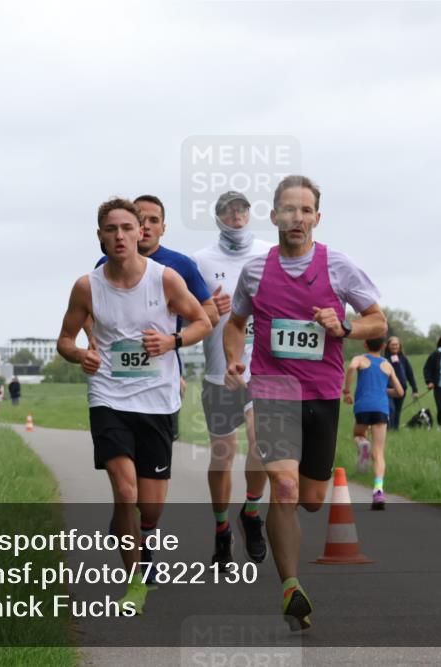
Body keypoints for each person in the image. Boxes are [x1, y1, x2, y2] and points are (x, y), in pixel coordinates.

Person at [225, 175, 387, 631]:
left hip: (323, 393)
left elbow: (377, 322)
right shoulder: (256, 270)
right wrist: (235, 361)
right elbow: (235, 324)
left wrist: (344, 327)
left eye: (305, 210)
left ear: (318, 217)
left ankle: (262, 527)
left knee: (313, 500)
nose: (297, 218)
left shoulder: (338, 266)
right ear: (274, 215)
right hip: (274, 389)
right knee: (288, 489)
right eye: (288, 209)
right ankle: (291, 586)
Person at [57, 197, 212, 614]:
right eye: (112, 229)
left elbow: (203, 321)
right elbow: (65, 339)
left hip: (158, 400)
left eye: (128, 227)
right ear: (101, 236)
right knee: (125, 493)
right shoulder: (87, 286)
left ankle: (134, 527)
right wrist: (80, 355)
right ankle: (136, 582)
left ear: (141, 231)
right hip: (108, 396)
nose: (121, 235)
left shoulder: (165, 279)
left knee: (151, 506)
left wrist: (172, 341)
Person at [94, 194, 221, 442]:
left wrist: (172, 335)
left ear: (162, 228)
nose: (148, 225)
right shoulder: (105, 264)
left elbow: (209, 315)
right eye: (143, 219)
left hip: (161, 371)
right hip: (114, 380)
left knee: (154, 462)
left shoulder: (179, 266)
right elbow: (93, 312)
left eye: (154, 220)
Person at [193, 191, 273, 566]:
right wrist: (209, 308)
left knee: (263, 443)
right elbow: (188, 315)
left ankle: (252, 513)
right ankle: (222, 528)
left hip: (263, 367)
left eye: (242, 209)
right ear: (218, 217)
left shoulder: (271, 253)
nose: (237, 216)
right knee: (223, 455)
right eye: (229, 210)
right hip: (217, 372)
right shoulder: (201, 261)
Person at [343, 338, 403, 510]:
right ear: (383, 346)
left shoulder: (360, 359)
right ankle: (378, 491)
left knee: (358, 434)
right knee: (378, 453)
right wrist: (382, 390)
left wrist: (347, 391)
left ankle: (362, 444)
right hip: (381, 409)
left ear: (365, 344)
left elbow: (352, 367)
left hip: (363, 407)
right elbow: (399, 391)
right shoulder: (387, 364)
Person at [385, 336, 419, 430]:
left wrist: (415, 389)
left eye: (396, 344)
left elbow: (410, 374)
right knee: (391, 409)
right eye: (392, 345)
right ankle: (389, 429)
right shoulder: (384, 359)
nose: (395, 346)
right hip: (389, 390)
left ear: (400, 346)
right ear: (388, 346)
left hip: (402, 390)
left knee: (398, 411)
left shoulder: (403, 358)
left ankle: (395, 430)